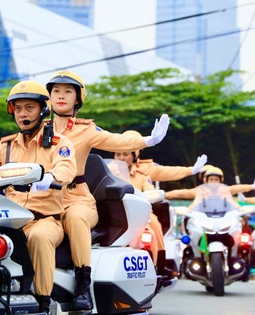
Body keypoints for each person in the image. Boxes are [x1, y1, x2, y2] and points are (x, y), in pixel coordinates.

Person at [46, 70, 169, 311]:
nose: (61, 96)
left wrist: (148, 140)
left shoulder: (85, 130)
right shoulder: (38, 128)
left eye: (67, 91)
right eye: (56, 91)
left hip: (74, 195)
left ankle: (82, 283)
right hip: (41, 196)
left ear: (77, 99)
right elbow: (4, 149)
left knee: (77, 218)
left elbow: (116, 141)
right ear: (48, 97)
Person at [0, 80, 77, 314]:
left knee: (41, 238)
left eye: (29, 108)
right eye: (18, 108)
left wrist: (50, 176)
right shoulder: (7, 146)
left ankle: (43, 301)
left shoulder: (58, 143)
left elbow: (66, 168)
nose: (22, 114)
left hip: (44, 219)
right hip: (7, 218)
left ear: (43, 109)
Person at [113, 147, 168, 275]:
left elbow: (149, 190)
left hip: (139, 214)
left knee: (155, 223)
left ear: (134, 156)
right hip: (114, 213)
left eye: (125, 154)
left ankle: (160, 264)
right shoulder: (107, 171)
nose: (121, 158)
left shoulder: (142, 175)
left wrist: (150, 194)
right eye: (117, 154)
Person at [165, 166, 255, 200]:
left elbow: (235, 188)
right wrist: (165, 195)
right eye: (210, 179)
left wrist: (252, 186)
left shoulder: (224, 189)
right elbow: (183, 193)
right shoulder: (200, 190)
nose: (213, 182)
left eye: (215, 179)